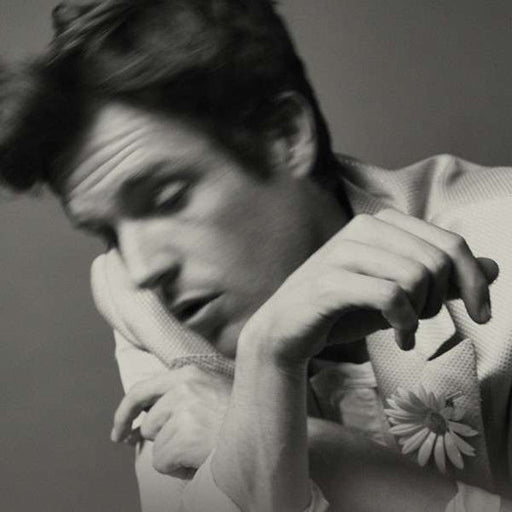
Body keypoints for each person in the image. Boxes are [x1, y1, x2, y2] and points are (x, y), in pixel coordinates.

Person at [1, 1, 511, 510]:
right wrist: (269, 360)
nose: (142, 268)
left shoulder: (502, 235)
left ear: (285, 135)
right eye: (106, 233)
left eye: (167, 199)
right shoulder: (145, 305)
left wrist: (302, 446)